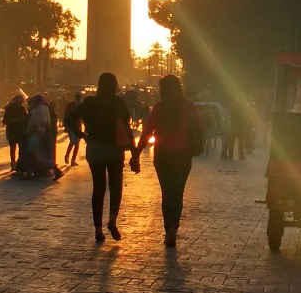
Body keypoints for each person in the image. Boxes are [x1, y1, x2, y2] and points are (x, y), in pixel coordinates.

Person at [134, 74, 204, 247]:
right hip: (183, 155)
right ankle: (173, 227)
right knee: (178, 192)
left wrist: (136, 154)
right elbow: (201, 127)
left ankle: (168, 230)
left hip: (163, 155)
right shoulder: (189, 107)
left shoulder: (159, 108)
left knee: (166, 193)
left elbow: (147, 132)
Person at [65, 72, 133, 243]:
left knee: (98, 188)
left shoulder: (89, 102)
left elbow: (69, 119)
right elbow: (127, 128)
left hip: (95, 148)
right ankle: (112, 220)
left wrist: (82, 134)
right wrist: (134, 153)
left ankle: (98, 230)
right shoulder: (118, 103)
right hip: (114, 149)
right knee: (115, 186)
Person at [2, 95, 28, 172]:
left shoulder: (22, 108)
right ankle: (13, 163)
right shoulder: (10, 108)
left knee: (19, 148)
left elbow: (26, 119)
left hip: (18, 130)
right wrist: (14, 120)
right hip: (13, 131)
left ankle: (19, 163)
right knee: (14, 147)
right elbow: (5, 120)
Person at [63, 91, 83, 166]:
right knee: (73, 141)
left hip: (78, 126)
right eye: (78, 96)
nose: (79, 98)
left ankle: (73, 160)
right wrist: (66, 125)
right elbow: (66, 115)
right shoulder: (71, 105)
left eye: (80, 96)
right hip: (71, 126)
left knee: (77, 144)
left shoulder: (81, 105)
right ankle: (67, 155)